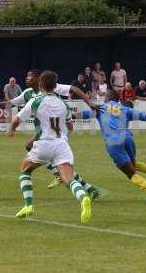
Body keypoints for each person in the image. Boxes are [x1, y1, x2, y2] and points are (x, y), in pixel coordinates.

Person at [9, 70, 92, 223]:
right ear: (55, 87)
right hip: (62, 144)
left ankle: (28, 205)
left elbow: (16, 120)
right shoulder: (63, 103)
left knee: (25, 170)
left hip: (43, 143)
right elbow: (70, 126)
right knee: (68, 179)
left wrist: (12, 129)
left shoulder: (36, 101)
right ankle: (83, 197)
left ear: (40, 84)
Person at [94, 89, 146, 205]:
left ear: (107, 98)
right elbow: (145, 116)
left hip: (113, 142)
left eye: (105, 96)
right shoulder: (125, 109)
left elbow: (80, 115)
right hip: (128, 138)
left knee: (131, 173)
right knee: (133, 164)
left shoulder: (100, 108)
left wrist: (68, 115)